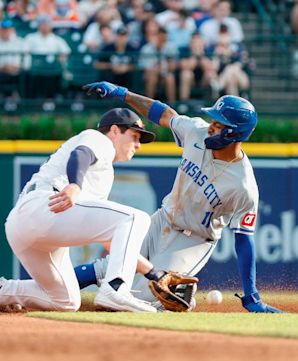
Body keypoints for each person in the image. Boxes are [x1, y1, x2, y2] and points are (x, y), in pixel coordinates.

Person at [79, 80, 283, 313]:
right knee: (109, 267)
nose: (210, 127)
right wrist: (124, 93)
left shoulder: (243, 186)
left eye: (218, 124)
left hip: (193, 241)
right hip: (162, 220)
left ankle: (177, 297)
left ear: (234, 133)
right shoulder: (196, 131)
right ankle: (44, 292)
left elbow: (244, 240)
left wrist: (251, 295)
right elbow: (163, 113)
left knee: (139, 298)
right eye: (213, 121)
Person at [0, 107, 158, 314]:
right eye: (135, 136)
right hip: (46, 206)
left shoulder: (104, 174)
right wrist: (75, 184)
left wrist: (154, 273)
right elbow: (81, 155)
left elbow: (111, 241)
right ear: (114, 130)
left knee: (66, 301)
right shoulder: (98, 139)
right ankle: (116, 288)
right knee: (136, 217)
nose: (138, 145)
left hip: (30, 226)